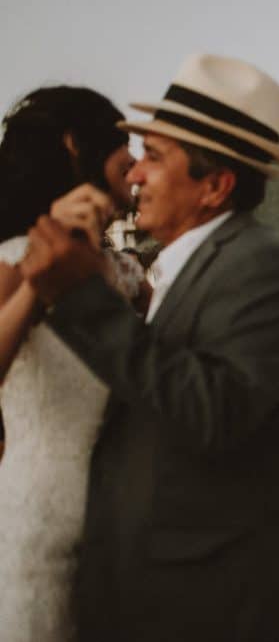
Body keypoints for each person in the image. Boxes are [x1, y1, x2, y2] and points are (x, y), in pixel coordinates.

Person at [17, 56, 279, 641]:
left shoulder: (266, 268)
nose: (134, 175)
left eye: (154, 157)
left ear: (215, 185)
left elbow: (212, 408)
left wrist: (81, 298)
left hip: (227, 608)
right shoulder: (180, 270)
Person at [0, 85, 143, 641]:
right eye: (120, 143)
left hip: (121, 529)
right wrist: (41, 280)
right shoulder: (13, 259)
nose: (133, 159)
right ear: (71, 146)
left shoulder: (126, 270)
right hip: (37, 521)